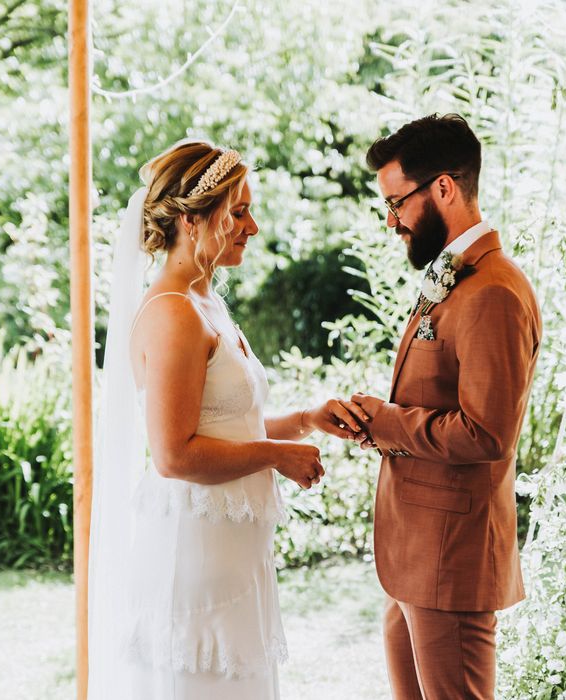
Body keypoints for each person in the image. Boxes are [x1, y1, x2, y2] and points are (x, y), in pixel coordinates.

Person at [87, 139, 364, 700]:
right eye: (237, 212)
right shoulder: (172, 314)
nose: (252, 226)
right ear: (192, 220)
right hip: (194, 563)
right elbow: (174, 454)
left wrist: (307, 419)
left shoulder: (204, 300)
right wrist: (276, 456)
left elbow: (229, 423)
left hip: (233, 557)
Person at [344, 114, 542, 699]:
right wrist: (376, 423)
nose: (392, 220)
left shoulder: (494, 292)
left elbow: (487, 434)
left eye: (397, 202)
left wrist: (388, 421)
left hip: (451, 559)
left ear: (444, 189)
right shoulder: (458, 279)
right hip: (418, 554)